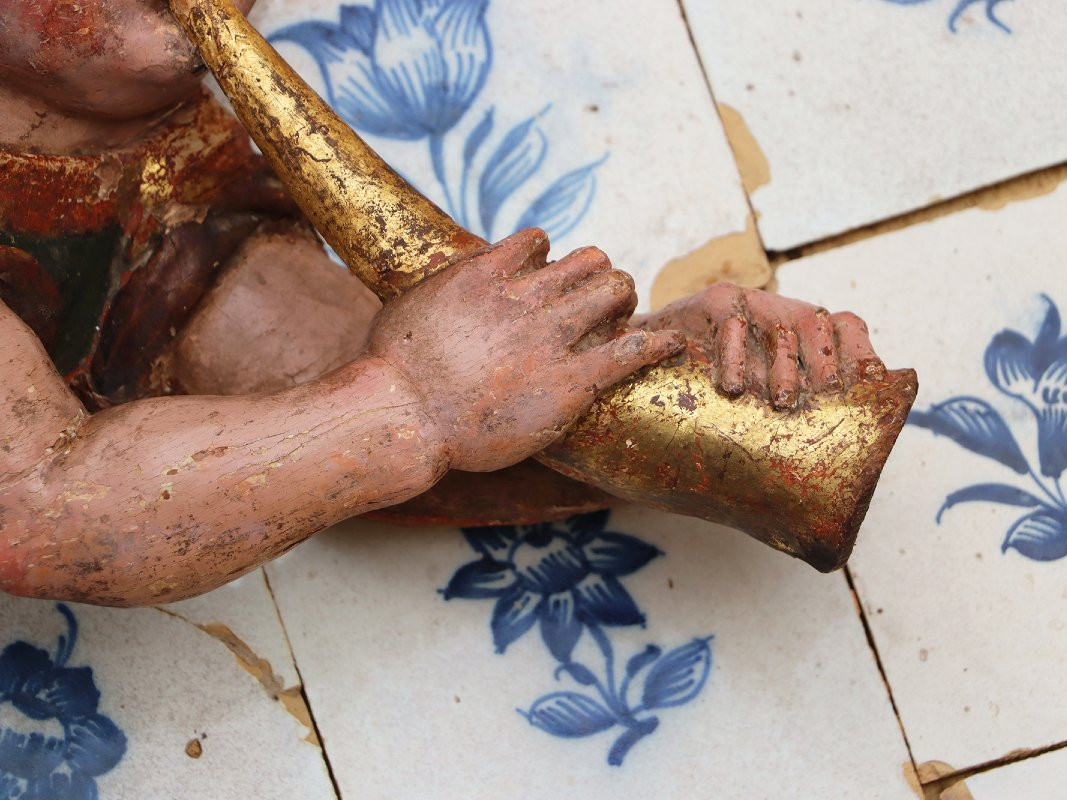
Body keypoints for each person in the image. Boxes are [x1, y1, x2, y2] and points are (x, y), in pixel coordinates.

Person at [0, 0, 885, 606]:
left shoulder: (178, 171)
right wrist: (407, 407)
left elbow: (304, 390)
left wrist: (653, 393)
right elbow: (39, 506)